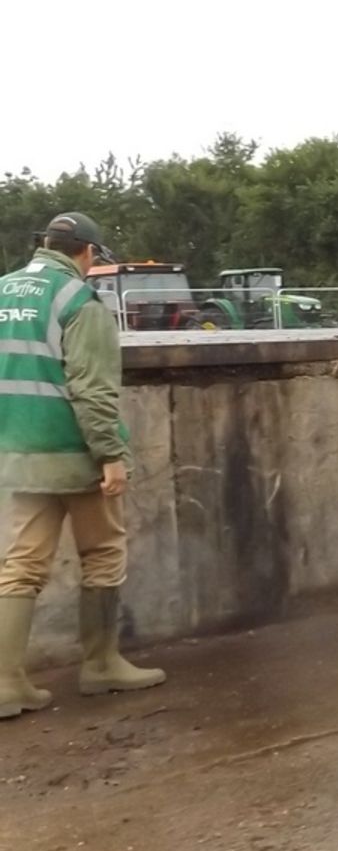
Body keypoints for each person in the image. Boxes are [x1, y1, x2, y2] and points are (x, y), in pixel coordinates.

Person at [0, 212, 164, 719]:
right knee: (103, 551)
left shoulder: (4, 290)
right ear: (87, 254)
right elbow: (92, 390)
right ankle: (101, 664)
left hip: (17, 451)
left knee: (22, 564)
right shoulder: (77, 299)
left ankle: (6, 684)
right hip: (73, 452)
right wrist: (111, 455)